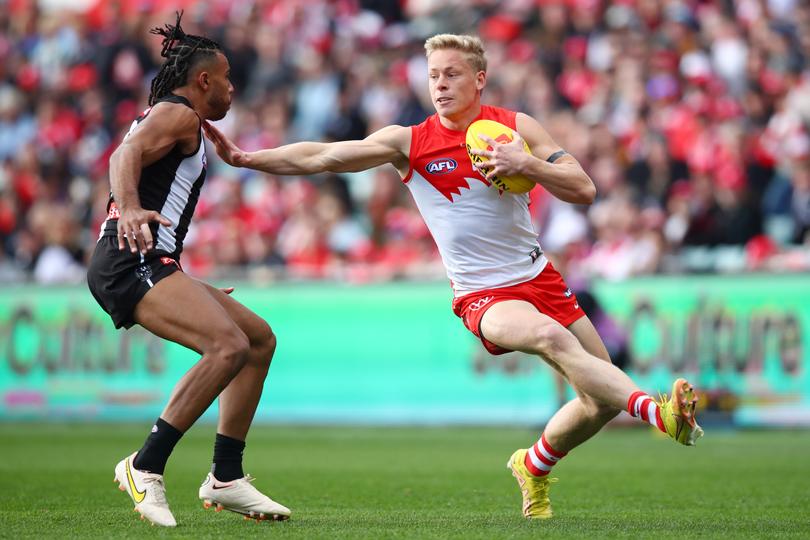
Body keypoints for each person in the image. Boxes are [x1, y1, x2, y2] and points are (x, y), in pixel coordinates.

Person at [204, 34, 703, 519]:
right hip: (483, 293)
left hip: (541, 278)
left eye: (451, 74)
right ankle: (660, 415)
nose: (439, 84)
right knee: (551, 339)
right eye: (433, 76)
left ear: (480, 79)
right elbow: (327, 155)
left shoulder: (515, 126)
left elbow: (585, 188)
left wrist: (525, 161)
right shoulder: (412, 142)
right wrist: (248, 158)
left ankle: (532, 466)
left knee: (598, 403)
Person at [86, 13, 290, 527]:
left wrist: (183, 280)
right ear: (203, 80)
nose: (231, 87)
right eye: (225, 78)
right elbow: (123, 153)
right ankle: (144, 466)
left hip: (154, 260)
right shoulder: (176, 115)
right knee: (228, 347)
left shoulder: (185, 123)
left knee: (257, 339)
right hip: (129, 259)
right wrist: (128, 207)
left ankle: (226, 476)